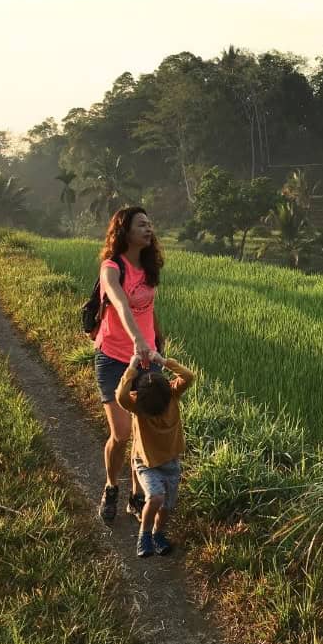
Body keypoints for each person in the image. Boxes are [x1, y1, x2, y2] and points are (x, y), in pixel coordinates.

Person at [94, 206, 165, 524]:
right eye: (141, 225)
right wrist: (138, 340)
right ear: (124, 231)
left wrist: (156, 341)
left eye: (150, 224)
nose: (148, 229)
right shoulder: (111, 267)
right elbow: (122, 305)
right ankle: (111, 487)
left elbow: (148, 308)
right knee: (121, 433)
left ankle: (137, 496)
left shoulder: (150, 268)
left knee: (143, 431)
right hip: (114, 356)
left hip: (147, 359)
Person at [115, 353, 195, 557]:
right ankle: (145, 535)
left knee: (167, 506)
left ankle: (158, 534)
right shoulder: (139, 403)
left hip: (170, 463)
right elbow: (120, 397)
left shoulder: (169, 394)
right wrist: (155, 362)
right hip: (146, 463)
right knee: (156, 497)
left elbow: (189, 377)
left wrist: (155, 362)